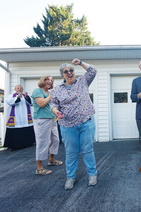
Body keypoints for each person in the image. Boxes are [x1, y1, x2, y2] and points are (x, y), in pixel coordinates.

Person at [51, 59, 98, 190]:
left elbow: (93, 70)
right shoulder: (57, 89)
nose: (69, 73)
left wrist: (81, 63)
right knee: (71, 152)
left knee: (87, 150)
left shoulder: (82, 81)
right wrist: (55, 111)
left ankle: (92, 174)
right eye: (66, 72)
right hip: (67, 125)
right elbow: (53, 104)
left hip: (86, 122)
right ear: (62, 75)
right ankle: (70, 177)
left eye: (71, 70)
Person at [32, 76, 62, 176]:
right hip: (41, 119)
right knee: (43, 141)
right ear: (43, 81)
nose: (50, 81)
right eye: (47, 79)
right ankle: (39, 167)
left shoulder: (49, 93)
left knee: (55, 140)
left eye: (51, 80)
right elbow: (41, 104)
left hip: (52, 118)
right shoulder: (38, 91)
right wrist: (51, 95)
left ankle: (51, 160)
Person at [4, 85, 35, 150]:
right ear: (15, 89)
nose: (20, 89)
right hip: (16, 116)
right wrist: (18, 97)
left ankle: (27, 143)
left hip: (25, 117)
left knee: (26, 128)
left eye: (21, 88)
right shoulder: (11, 96)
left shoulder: (26, 96)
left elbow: (31, 102)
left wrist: (27, 98)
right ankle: (15, 145)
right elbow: (10, 102)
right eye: (18, 88)